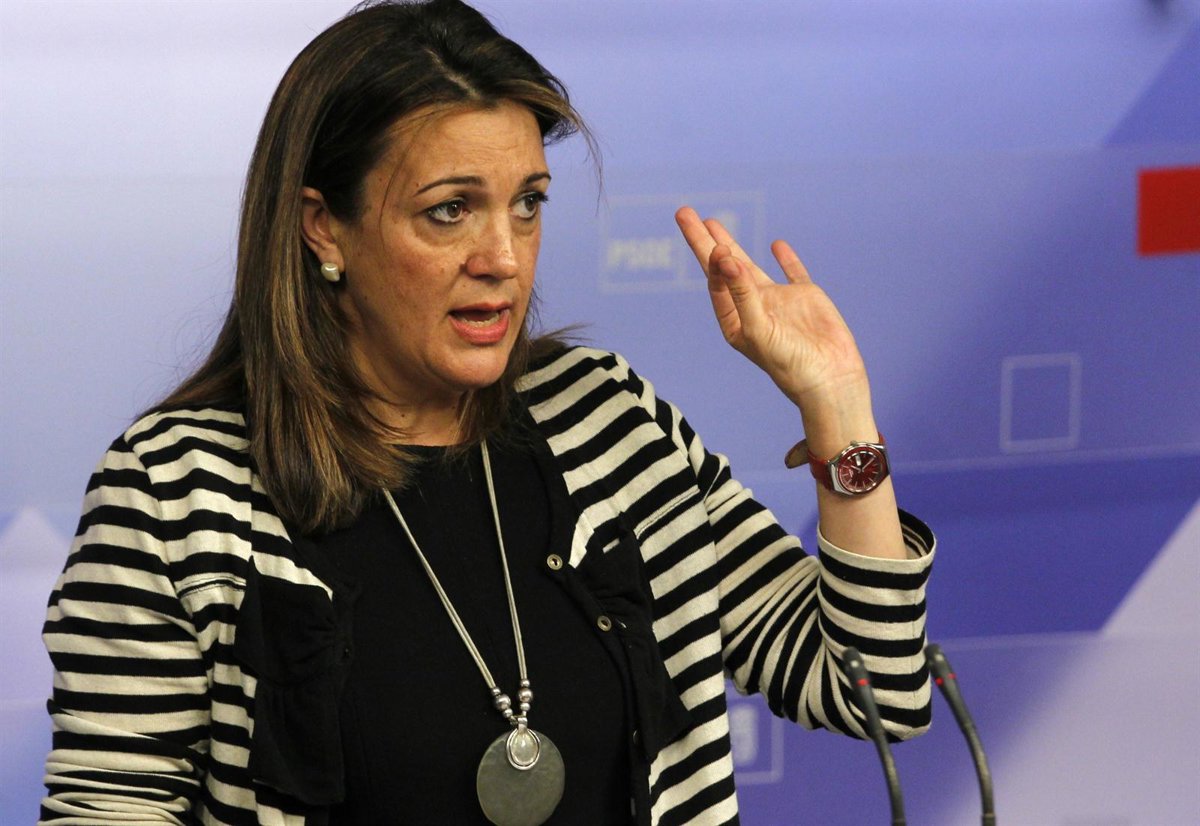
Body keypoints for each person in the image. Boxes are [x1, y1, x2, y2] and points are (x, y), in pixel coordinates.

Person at [40, 1, 935, 824]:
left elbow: (873, 687)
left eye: (528, 204)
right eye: (450, 211)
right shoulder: (175, 490)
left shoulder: (608, 419)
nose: (503, 257)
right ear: (323, 227)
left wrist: (838, 402)